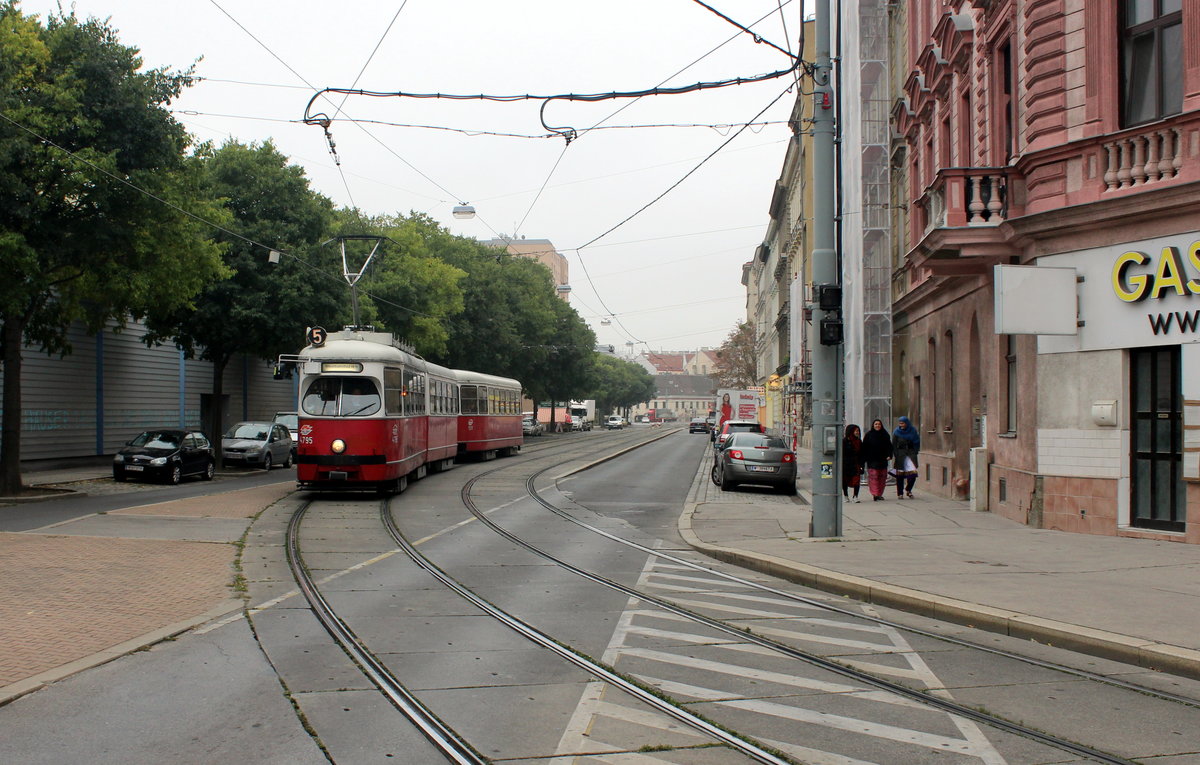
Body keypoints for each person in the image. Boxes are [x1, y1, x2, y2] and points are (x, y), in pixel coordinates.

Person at [861, 418, 893, 501]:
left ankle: (879, 493)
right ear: (873, 425)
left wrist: (889, 455)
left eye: (879, 424)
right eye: (876, 424)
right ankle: (875, 493)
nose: (877, 425)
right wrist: (864, 458)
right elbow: (864, 447)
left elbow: (889, 446)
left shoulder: (885, 435)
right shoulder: (868, 435)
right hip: (872, 459)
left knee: (882, 477)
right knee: (874, 477)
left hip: (882, 459)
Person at [892, 415, 921, 499]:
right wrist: (896, 454)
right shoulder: (896, 432)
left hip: (911, 454)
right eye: (900, 423)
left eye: (903, 423)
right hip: (901, 454)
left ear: (907, 423)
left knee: (912, 474)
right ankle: (900, 493)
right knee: (900, 475)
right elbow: (894, 444)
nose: (901, 425)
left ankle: (908, 489)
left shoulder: (913, 431)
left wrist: (915, 451)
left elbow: (917, 441)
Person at [842, 424, 864, 502]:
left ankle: (855, 496)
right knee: (845, 480)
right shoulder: (844, 441)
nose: (857, 432)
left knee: (856, 480)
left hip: (856, 464)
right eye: (856, 431)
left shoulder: (859, 441)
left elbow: (861, 454)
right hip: (846, 464)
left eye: (858, 431)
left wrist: (862, 465)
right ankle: (845, 495)